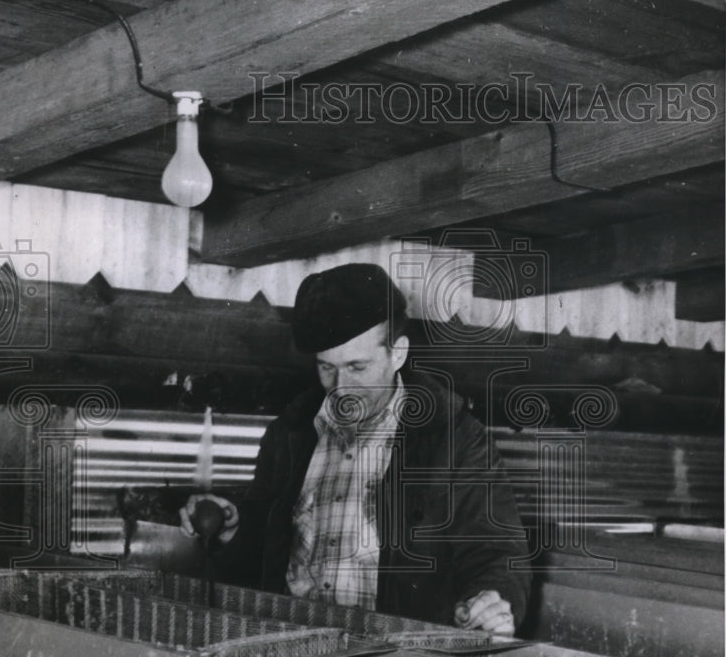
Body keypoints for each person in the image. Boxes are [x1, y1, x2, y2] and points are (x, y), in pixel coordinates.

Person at [180, 263, 530, 633]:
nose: (341, 388)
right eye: (326, 368)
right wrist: (232, 528)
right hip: (287, 642)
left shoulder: (453, 439)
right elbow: (264, 551)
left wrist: (492, 599)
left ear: (398, 354)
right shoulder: (290, 435)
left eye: (357, 367)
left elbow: (496, 552)